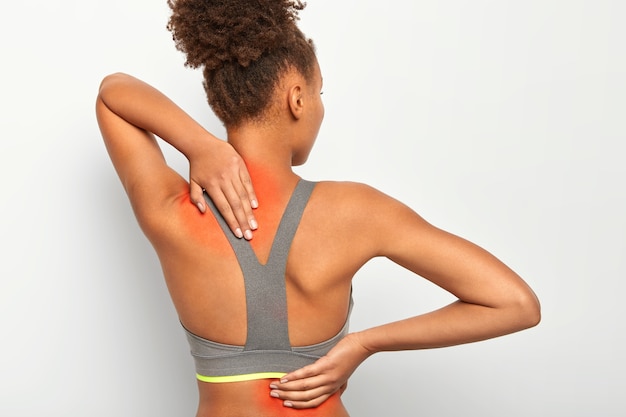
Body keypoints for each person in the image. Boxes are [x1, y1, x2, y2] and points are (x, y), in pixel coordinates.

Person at [96, 1, 541, 416]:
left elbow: (112, 93)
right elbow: (515, 304)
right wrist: (363, 344)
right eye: (320, 92)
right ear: (297, 98)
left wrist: (199, 146)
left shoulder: (173, 209)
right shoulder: (356, 212)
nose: (321, 106)